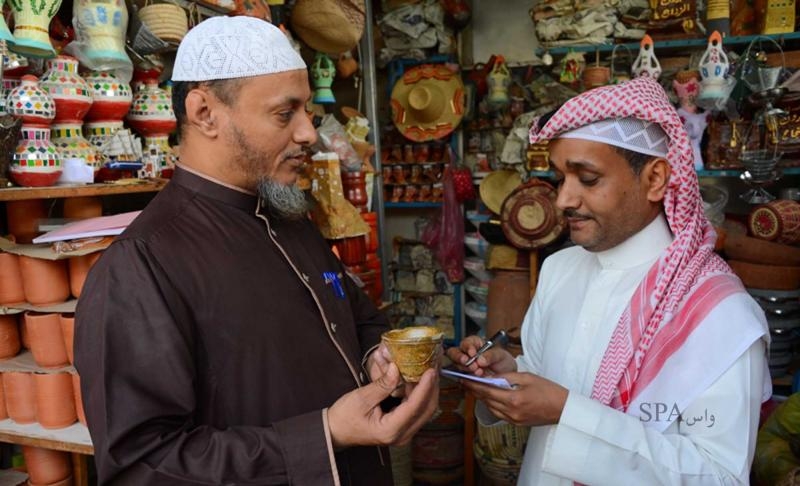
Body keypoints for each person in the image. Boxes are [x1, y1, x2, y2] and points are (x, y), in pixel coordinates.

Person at [74, 16, 439, 485]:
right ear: (205, 113)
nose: (309, 133)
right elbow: (142, 466)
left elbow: (357, 317)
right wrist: (325, 434)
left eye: (306, 110)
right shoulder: (142, 265)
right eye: (285, 113)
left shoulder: (290, 218)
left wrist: (378, 358)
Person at [448, 77, 770, 484]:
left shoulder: (718, 312)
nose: (563, 199)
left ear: (655, 179)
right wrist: (505, 371)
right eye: (560, 177)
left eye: (588, 178)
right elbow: (550, 374)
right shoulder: (560, 269)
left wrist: (568, 412)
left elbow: (719, 476)